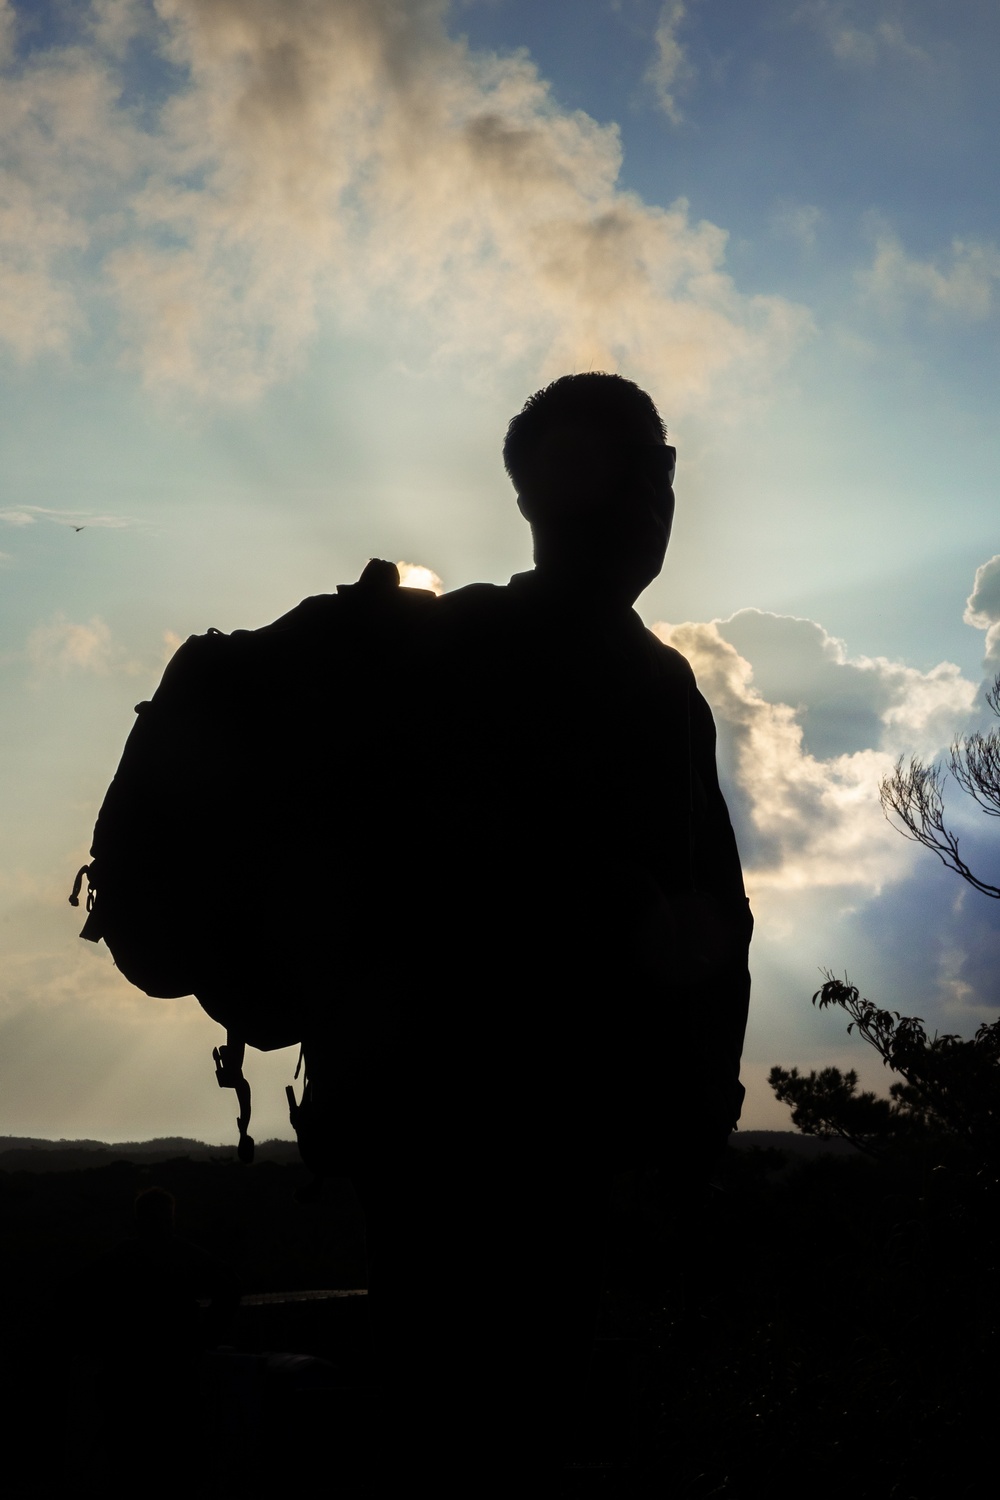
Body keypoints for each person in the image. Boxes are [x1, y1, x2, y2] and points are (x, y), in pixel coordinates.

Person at [307, 372, 752, 1480]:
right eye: (635, 470)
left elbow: (713, 922)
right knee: (499, 1417)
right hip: (509, 1133)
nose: (654, 497)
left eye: (660, 472)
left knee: (469, 1411)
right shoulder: (598, 677)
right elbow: (706, 927)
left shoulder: (637, 681)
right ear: (543, 496)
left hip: (471, 1133)